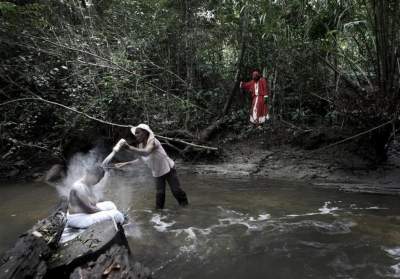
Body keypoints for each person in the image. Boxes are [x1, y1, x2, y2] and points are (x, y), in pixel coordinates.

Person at [115, 123, 188, 210]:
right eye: (135, 133)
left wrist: (129, 147)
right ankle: (159, 215)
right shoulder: (141, 145)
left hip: (168, 168)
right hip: (157, 171)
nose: (136, 135)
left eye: (138, 132)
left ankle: (185, 208)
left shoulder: (152, 141)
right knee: (160, 194)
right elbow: (142, 160)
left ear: (145, 132)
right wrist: (125, 164)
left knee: (176, 191)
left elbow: (146, 152)